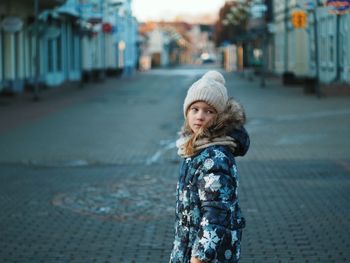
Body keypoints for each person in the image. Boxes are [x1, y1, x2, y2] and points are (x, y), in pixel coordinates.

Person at [169, 70, 250, 263]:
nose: (200, 116)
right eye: (194, 109)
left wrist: (200, 256)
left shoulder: (214, 157)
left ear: (220, 117)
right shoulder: (196, 148)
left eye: (209, 111)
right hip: (189, 246)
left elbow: (215, 212)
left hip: (210, 254)